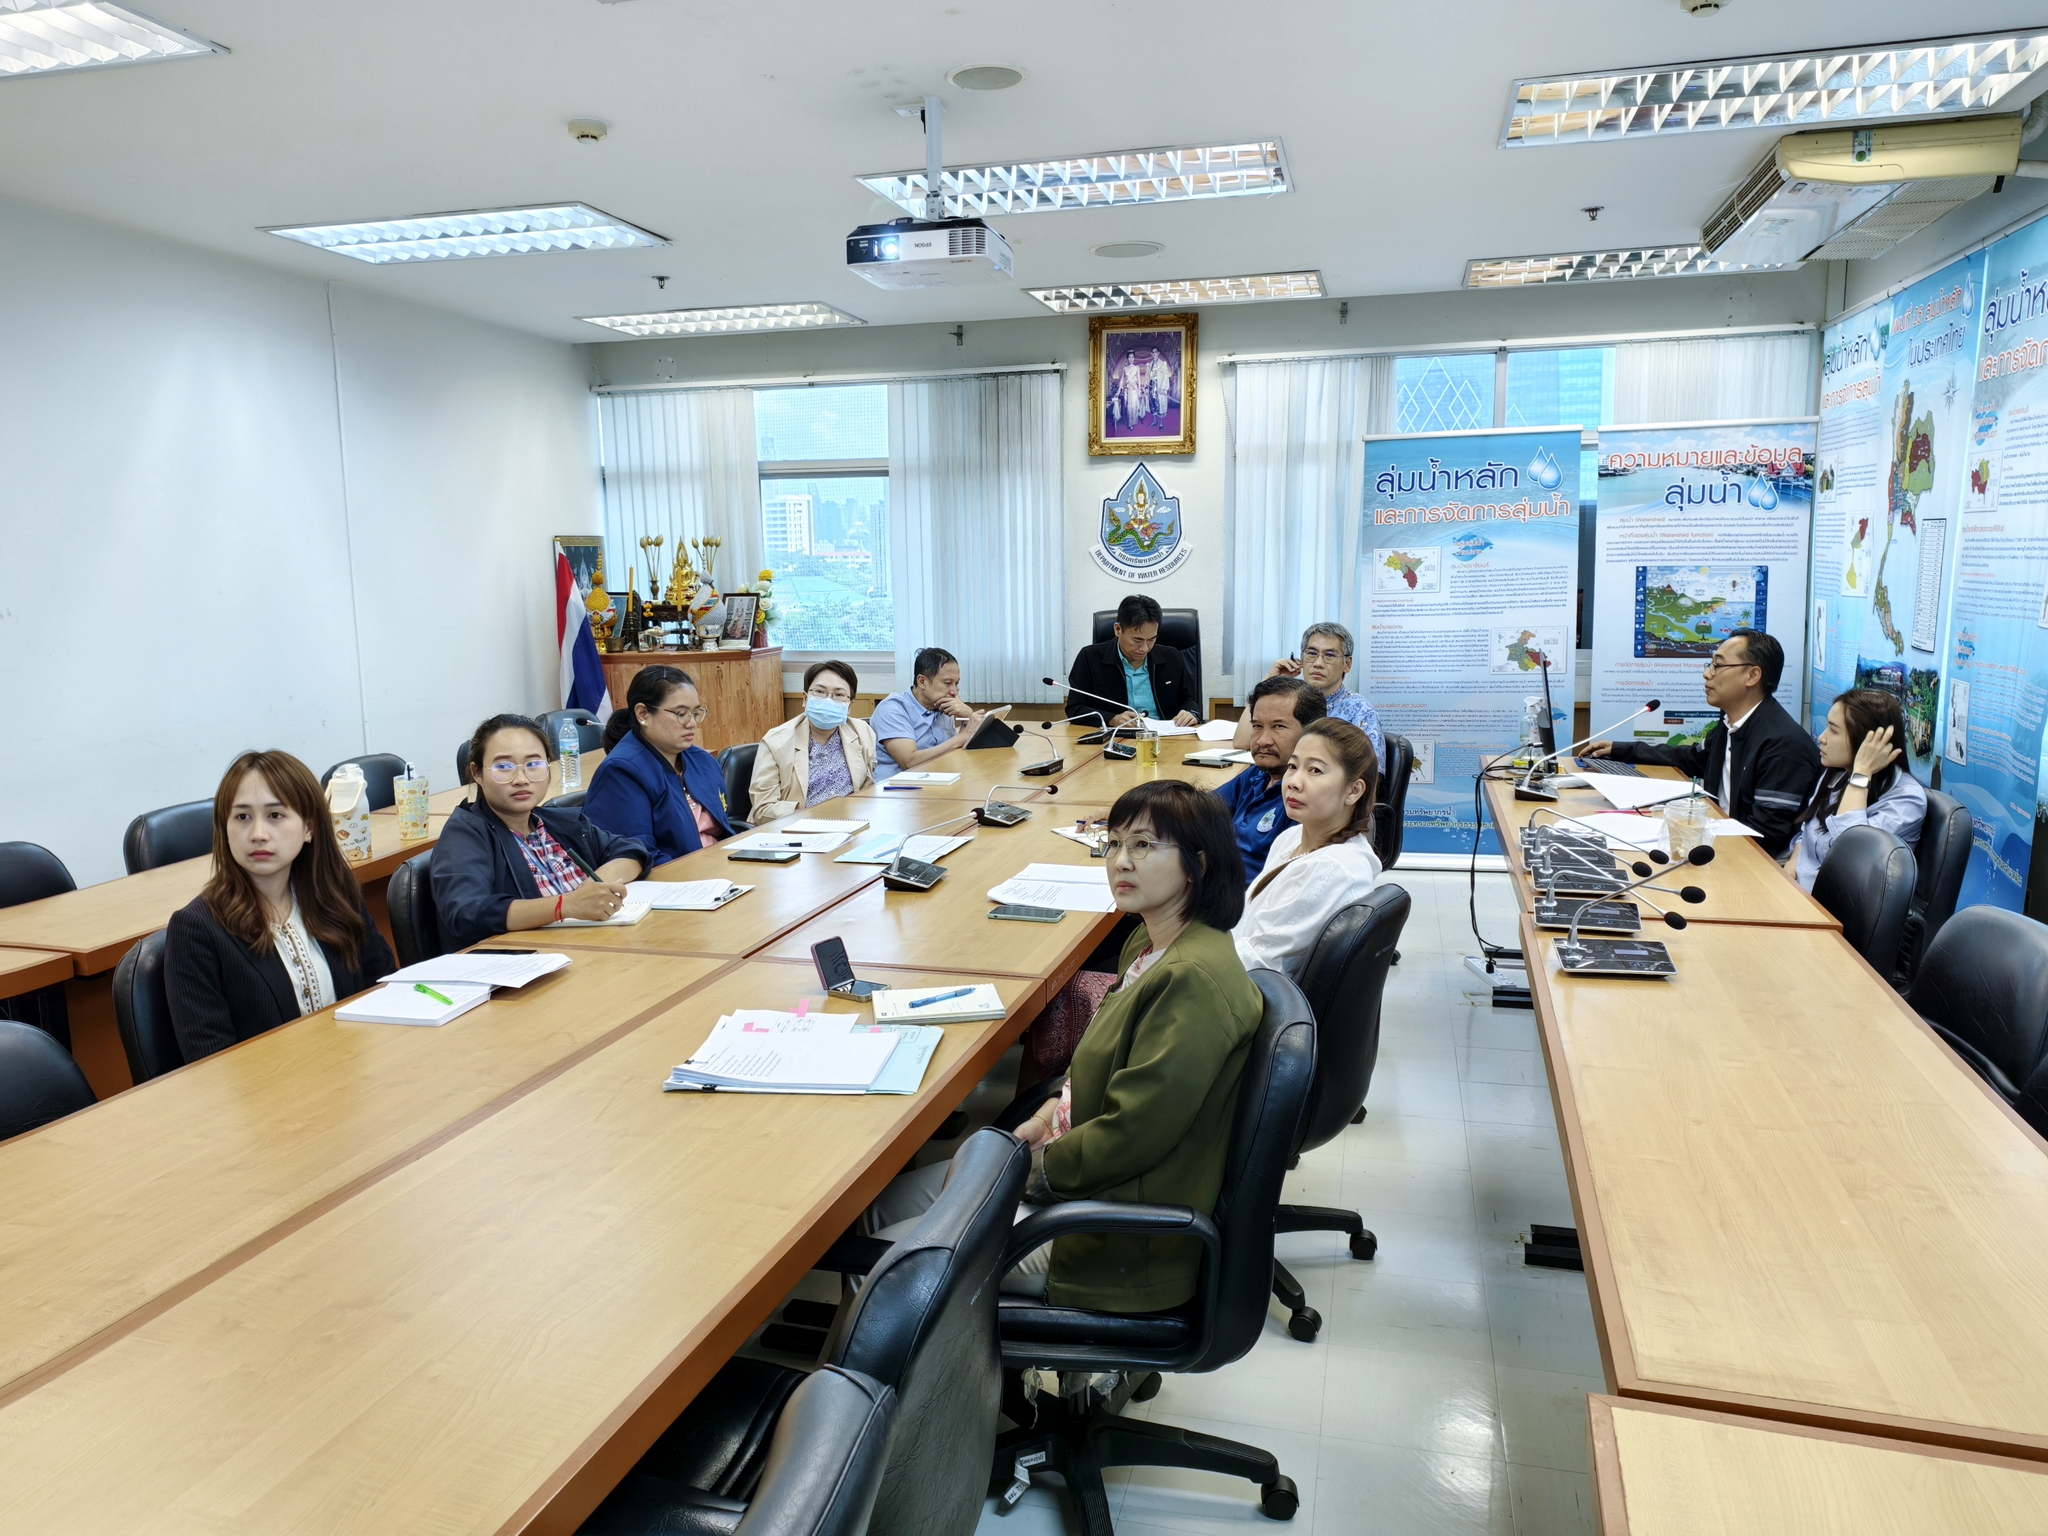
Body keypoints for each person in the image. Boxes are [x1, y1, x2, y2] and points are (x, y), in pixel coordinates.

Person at [863, 781, 1260, 1312]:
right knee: (878, 1210)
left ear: (1199, 864)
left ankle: (890, 1358)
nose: (1121, 861)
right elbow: (1103, 1061)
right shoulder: (1150, 943)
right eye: (1113, 843)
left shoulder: (1193, 981)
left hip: (1110, 1232)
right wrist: (1047, 1114)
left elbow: (1133, 1135)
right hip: (1082, 1172)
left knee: (887, 1267)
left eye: (1143, 845)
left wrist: (1030, 1172)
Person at [166, 750, 396, 1062]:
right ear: (224, 829)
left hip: (356, 1071)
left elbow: (384, 989)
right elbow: (211, 1061)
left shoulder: (335, 894)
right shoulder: (197, 929)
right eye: (242, 817)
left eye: (275, 815)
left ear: (309, 828)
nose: (258, 834)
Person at [1583, 628, 1820, 859]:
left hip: (1756, 861)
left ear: (1752, 676)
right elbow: (1690, 758)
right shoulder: (1731, 723)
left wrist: (1696, 832)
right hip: (1722, 844)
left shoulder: (1783, 745)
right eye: (1710, 664)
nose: (1706, 674)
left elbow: (1767, 835)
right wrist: (1620, 750)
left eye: (1717, 665)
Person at [434, 714, 648, 951]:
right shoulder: (464, 835)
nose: (521, 779)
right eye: (503, 767)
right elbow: (468, 913)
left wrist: (594, 886)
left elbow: (632, 851)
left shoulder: (557, 822)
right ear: (476, 773)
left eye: (533, 765)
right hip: (531, 960)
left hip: (595, 946)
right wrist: (565, 905)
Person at [1234, 719, 1384, 975]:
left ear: (1353, 790)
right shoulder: (1291, 838)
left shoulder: (1332, 870)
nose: (1293, 782)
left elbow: (1258, 964)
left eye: (1315, 770)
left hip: (1243, 988)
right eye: (1293, 766)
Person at [584, 666, 735, 865]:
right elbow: (637, 856)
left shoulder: (702, 761)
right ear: (643, 714)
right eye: (681, 713)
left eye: (695, 713)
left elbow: (724, 828)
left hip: (721, 867)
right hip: (675, 878)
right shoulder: (621, 772)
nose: (691, 723)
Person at [1790, 688, 1926, 894]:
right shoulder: (1837, 774)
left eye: (1834, 731)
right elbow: (1808, 832)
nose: (1822, 738)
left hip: (1835, 904)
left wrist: (1861, 773)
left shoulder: (1907, 800)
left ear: (1866, 740)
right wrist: (1794, 861)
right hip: (1799, 891)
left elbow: (1850, 854)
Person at [1215, 676, 1326, 880]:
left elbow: (1284, 882)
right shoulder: (1257, 774)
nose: (1263, 740)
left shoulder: (1305, 796)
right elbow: (1201, 811)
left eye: (1278, 727)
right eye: (1257, 726)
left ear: (1311, 732)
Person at [749, 660, 879, 820]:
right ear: (805, 698)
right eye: (820, 692)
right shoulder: (776, 741)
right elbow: (763, 808)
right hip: (798, 825)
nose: (828, 700)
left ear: (850, 705)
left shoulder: (862, 732)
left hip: (852, 822)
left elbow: (867, 790)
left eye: (839, 695)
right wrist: (815, 817)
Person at [1239, 621, 1385, 764]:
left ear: (1347, 664)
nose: (1318, 663)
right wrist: (1269, 681)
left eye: (1329, 655)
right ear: (1302, 659)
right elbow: (1241, 742)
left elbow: (1370, 773)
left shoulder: (1361, 712)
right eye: (1311, 653)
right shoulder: (1288, 701)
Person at [1066, 593, 1201, 728]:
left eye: (1152, 639)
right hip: (1116, 735)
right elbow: (1075, 708)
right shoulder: (1090, 658)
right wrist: (1111, 719)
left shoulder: (1171, 657)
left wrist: (1190, 713)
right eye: (1137, 640)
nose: (1145, 648)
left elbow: (1188, 700)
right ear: (1118, 629)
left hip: (1166, 735)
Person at [869, 647, 987, 781]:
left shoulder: (942, 705)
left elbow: (954, 750)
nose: (954, 691)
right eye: (947, 683)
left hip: (938, 779)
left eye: (956, 683)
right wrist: (962, 737)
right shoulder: (893, 709)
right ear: (922, 681)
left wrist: (967, 717)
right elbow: (909, 762)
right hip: (897, 787)